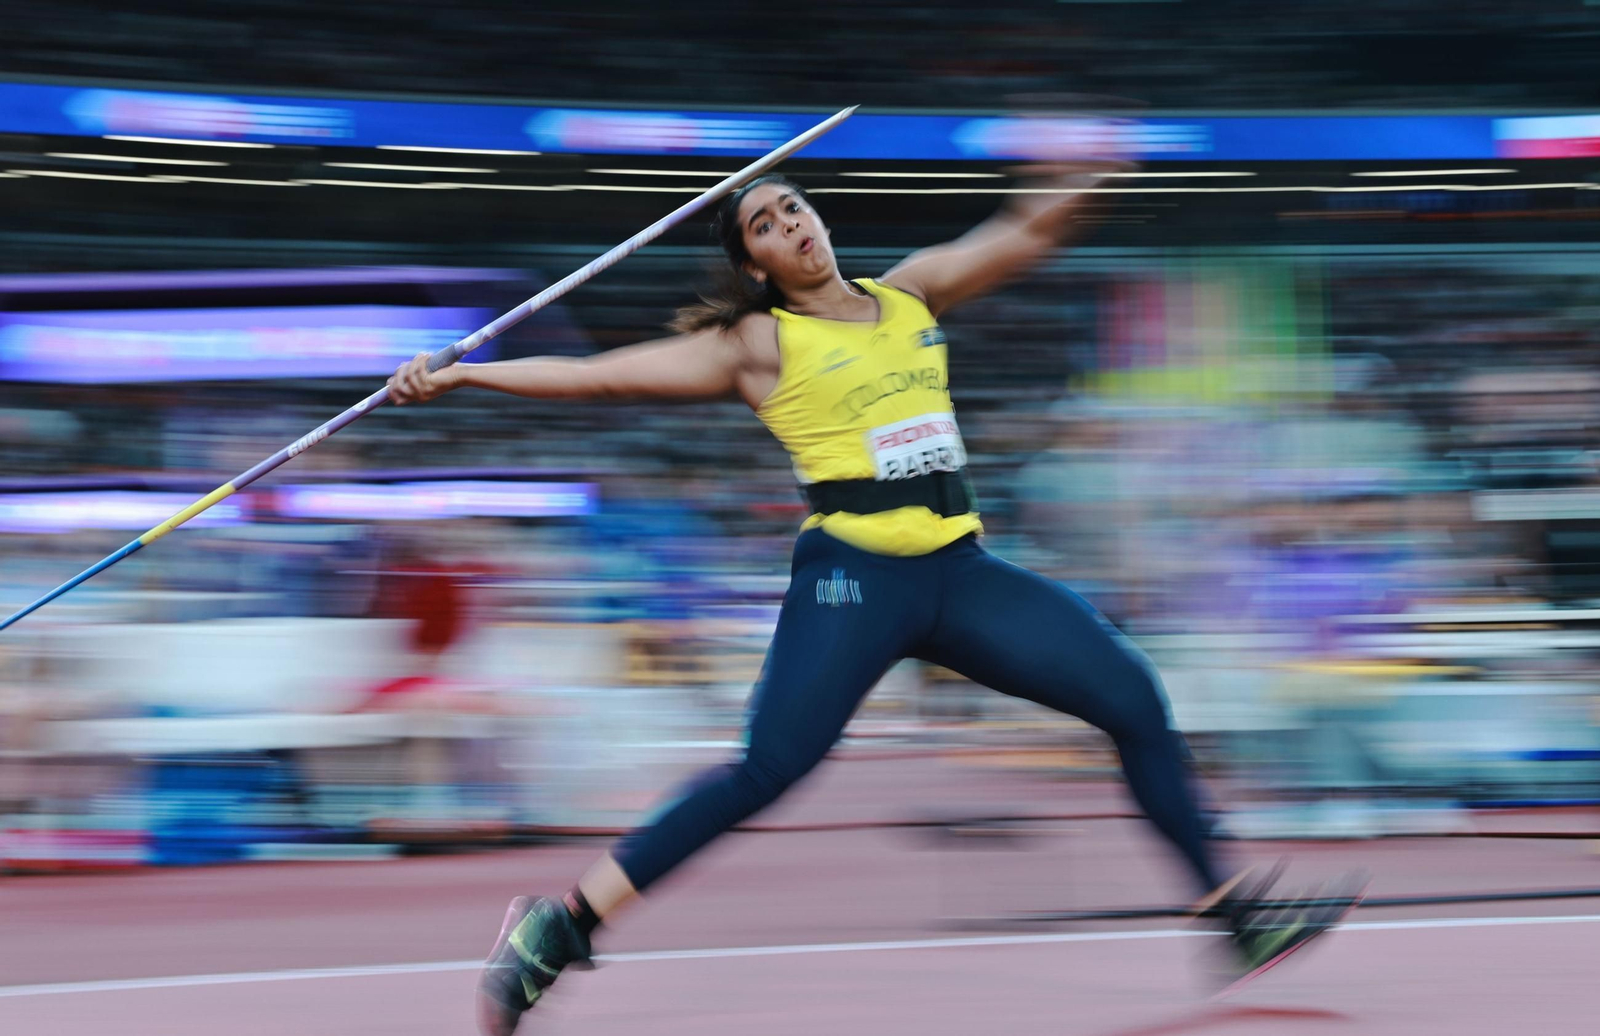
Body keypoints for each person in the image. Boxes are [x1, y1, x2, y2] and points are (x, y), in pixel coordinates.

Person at [386, 169, 1361, 1035]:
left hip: (961, 575)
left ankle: (1231, 918)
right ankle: (561, 926)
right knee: (767, 768)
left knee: (1131, 696)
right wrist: (468, 373)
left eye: (792, 206)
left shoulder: (912, 291)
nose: (790, 224)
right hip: (854, 577)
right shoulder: (758, 342)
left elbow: (1020, 235)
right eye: (765, 225)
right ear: (757, 265)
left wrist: (1076, 186)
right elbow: (599, 379)